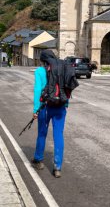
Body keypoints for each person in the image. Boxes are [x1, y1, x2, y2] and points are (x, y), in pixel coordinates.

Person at [31, 50, 67, 178]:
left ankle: (38, 160)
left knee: (42, 132)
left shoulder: (40, 71)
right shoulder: (62, 69)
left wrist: (35, 110)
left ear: (42, 60)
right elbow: (66, 88)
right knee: (58, 135)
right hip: (60, 107)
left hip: (45, 107)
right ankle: (57, 168)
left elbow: (37, 90)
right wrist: (65, 104)